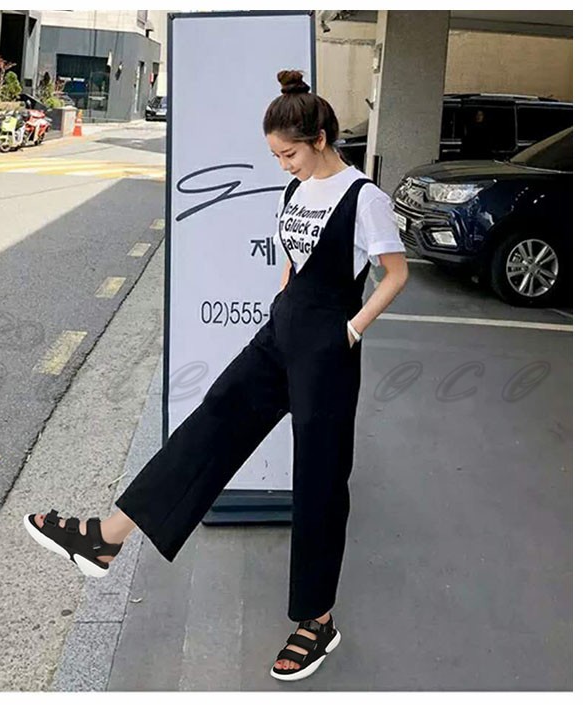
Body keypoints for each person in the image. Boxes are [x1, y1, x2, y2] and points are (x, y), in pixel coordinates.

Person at [23, 69, 409, 682]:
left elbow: (395, 274)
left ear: (320, 138)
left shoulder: (364, 198)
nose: (282, 165)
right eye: (275, 156)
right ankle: (107, 537)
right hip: (280, 335)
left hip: (329, 349)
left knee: (319, 477)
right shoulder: (294, 190)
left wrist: (351, 331)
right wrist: (281, 305)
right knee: (213, 422)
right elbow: (293, 264)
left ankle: (317, 620)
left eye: (288, 154)